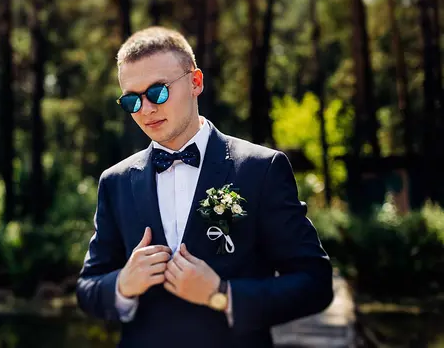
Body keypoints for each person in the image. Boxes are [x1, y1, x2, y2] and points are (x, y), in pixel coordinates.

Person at [76, 26, 333, 348]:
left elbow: (315, 283)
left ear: (195, 82)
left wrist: (222, 295)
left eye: (157, 91)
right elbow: (87, 289)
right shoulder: (115, 181)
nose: (146, 109)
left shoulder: (260, 169)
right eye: (131, 99)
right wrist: (122, 286)